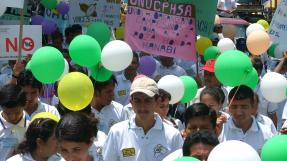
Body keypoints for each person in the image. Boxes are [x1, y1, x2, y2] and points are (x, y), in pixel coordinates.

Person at [103, 76, 183, 161]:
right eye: (137, 100)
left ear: (157, 102)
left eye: (148, 100)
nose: (142, 106)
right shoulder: (117, 132)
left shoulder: (173, 135)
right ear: (131, 103)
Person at [219, 85, 274, 153]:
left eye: (244, 107)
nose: (239, 112)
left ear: (253, 107)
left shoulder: (266, 133)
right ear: (229, 108)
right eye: (234, 107)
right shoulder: (220, 131)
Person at [0, 84, 29, 161]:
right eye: (7, 113)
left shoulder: (31, 125)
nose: (12, 117)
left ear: (25, 104)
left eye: (17, 112)